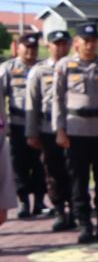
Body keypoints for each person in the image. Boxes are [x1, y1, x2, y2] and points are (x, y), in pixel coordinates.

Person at [52, 22, 98, 243]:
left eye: (94, 41)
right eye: (86, 41)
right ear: (77, 43)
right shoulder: (64, 66)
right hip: (76, 131)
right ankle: (84, 225)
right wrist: (60, 130)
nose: (91, 45)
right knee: (78, 181)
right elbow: (57, 100)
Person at [27, 29, 76, 232]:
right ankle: (59, 211)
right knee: (53, 172)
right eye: (56, 44)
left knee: (74, 170)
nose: (60, 47)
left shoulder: (76, 67)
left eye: (64, 43)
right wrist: (32, 133)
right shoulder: (38, 71)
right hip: (48, 129)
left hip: (74, 128)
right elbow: (33, 103)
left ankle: (75, 210)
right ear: (49, 45)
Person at [1, 32, 45, 218]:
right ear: (17, 47)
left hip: (42, 125)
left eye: (34, 47)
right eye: (27, 47)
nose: (31, 51)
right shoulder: (8, 69)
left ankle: (40, 202)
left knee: (41, 164)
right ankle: (24, 202)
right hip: (18, 124)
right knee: (19, 165)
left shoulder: (43, 68)